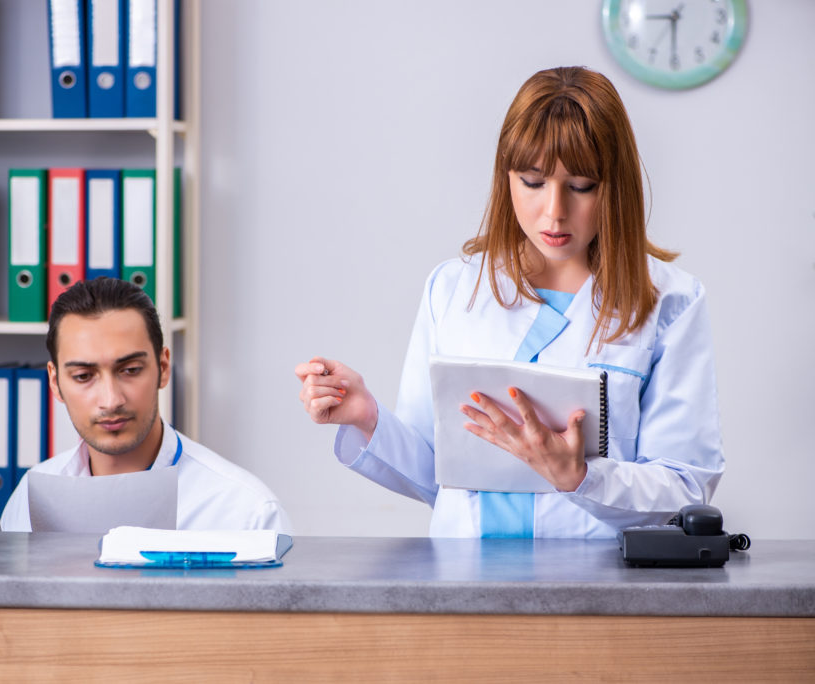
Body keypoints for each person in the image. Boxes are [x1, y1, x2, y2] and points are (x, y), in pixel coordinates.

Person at [295, 66, 723, 539]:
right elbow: (440, 474)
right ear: (507, 177)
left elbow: (685, 488)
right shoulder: (453, 289)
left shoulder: (670, 301)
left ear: (614, 185)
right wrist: (365, 415)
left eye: (581, 186)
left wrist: (580, 478)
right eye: (533, 182)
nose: (554, 211)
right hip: (463, 582)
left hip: (598, 588)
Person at [2, 278, 291, 533]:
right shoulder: (29, 499)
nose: (111, 400)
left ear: (163, 367)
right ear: (55, 383)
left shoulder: (246, 514)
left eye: (130, 370)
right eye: (83, 376)